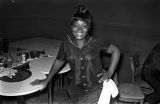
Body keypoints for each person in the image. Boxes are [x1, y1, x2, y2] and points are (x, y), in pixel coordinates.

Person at [31, 5, 121, 104]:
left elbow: (116, 51)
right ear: (71, 26)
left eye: (84, 26)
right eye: (76, 25)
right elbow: (58, 62)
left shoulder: (96, 42)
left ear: (89, 28)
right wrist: (46, 80)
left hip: (96, 88)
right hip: (77, 90)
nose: (79, 30)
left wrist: (110, 72)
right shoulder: (66, 43)